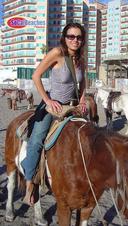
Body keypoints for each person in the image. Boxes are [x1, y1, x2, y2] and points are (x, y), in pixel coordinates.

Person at [21, 22, 87, 206]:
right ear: (64, 38)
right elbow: (36, 76)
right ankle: (29, 185)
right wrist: (48, 100)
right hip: (53, 106)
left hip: (72, 106)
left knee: (90, 135)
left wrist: (82, 100)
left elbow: (83, 84)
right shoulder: (57, 53)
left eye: (79, 37)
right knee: (37, 139)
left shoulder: (81, 59)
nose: (75, 40)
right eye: (71, 36)